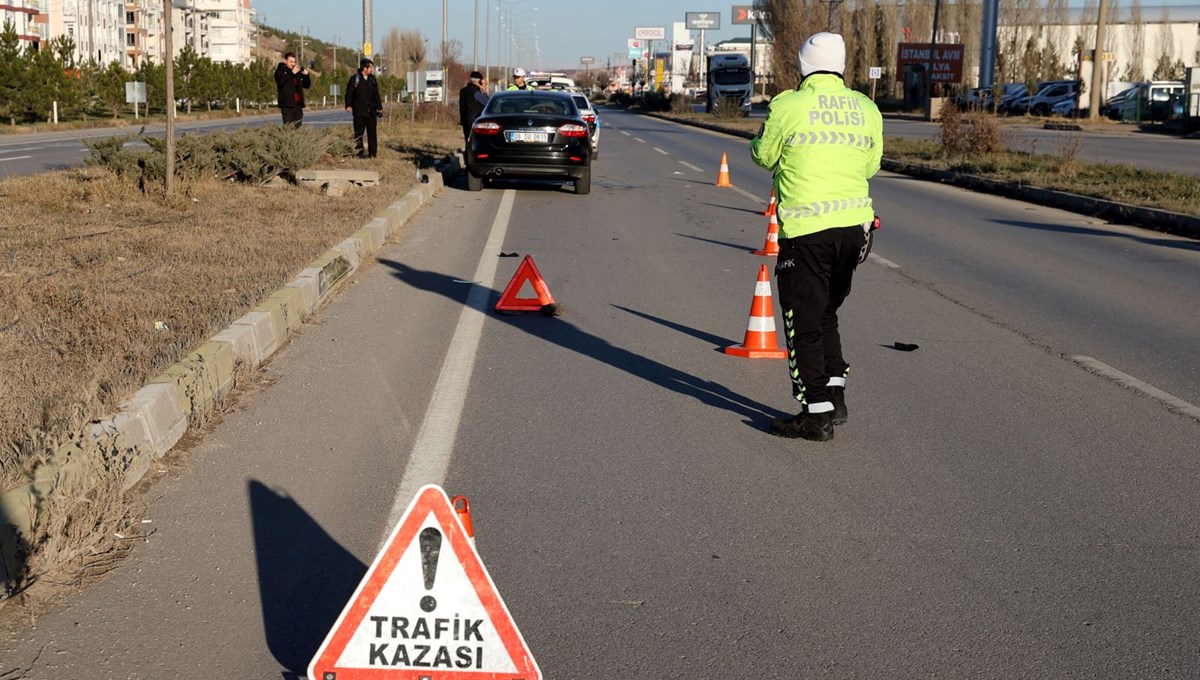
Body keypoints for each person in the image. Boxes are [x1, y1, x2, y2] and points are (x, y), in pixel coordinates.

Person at [749, 32, 883, 441]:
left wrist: (762, 137)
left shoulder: (789, 105)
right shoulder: (866, 107)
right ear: (841, 65)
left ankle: (815, 414)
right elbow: (871, 166)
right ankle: (835, 397)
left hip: (807, 232)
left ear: (802, 66)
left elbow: (764, 155)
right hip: (855, 230)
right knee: (826, 312)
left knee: (802, 320)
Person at [345, 58, 383, 158]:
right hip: (359, 112)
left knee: (372, 134)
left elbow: (376, 94)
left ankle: (372, 154)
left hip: (371, 112)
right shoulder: (355, 79)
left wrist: (379, 106)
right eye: (371, 67)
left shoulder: (372, 79)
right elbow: (349, 93)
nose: (372, 70)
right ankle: (360, 153)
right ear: (365, 68)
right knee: (358, 134)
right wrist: (348, 105)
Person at [274, 52, 312, 127]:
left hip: (298, 105)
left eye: (294, 62)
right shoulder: (280, 71)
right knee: (288, 127)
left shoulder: (297, 72)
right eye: (290, 61)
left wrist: (306, 76)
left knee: (298, 126)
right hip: (287, 105)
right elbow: (280, 82)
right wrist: (291, 73)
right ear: (285, 61)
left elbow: (307, 85)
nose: (293, 64)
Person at [459, 71, 489, 144]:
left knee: (467, 141)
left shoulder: (463, 91)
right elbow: (488, 103)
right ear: (479, 81)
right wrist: (484, 92)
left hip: (465, 120)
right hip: (475, 121)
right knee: (475, 143)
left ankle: (467, 155)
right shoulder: (476, 93)